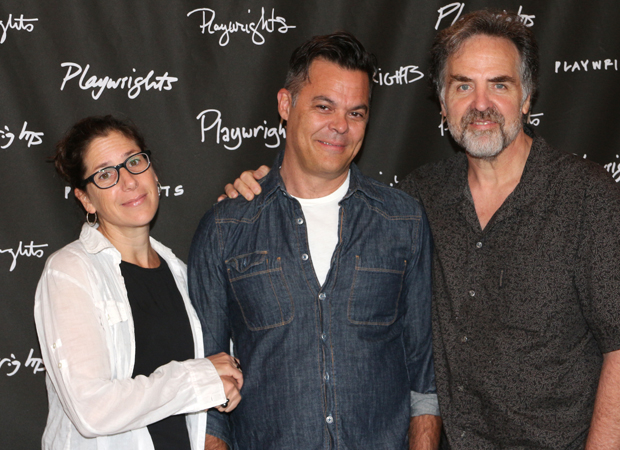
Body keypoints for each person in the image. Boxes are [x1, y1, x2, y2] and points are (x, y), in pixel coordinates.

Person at [222, 11, 620, 449]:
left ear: (527, 97)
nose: (481, 104)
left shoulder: (586, 196)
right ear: (443, 101)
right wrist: (260, 191)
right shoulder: (418, 200)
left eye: (500, 85)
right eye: (463, 85)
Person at [188, 32, 441, 450]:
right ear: (286, 105)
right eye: (324, 106)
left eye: (356, 113)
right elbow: (205, 390)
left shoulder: (403, 220)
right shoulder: (225, 228)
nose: (340, 126)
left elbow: (424, 378)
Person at [34, 115, 243, 450]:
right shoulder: (69, 271)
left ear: (153, 171)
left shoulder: (182, 274)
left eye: (134, 162)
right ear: (86, 199)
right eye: (105, 174)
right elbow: (92, 410)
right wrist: (199, 376)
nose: (128, 181)